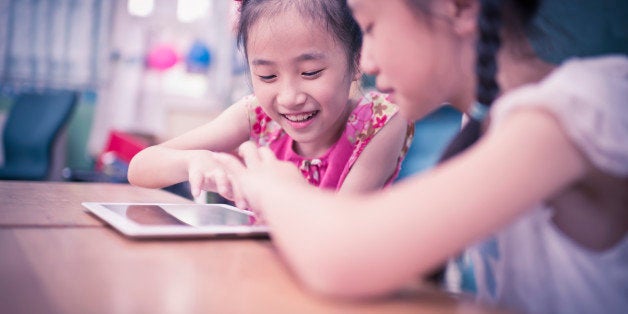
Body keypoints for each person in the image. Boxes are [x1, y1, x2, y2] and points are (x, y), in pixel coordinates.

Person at [215, 0, 628, 313]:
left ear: (460, 7)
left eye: (371, 28)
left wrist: (274, 187)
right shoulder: (483, 119)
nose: (369, 63)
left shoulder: (581, 105)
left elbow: (346, 258)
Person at [127, 0, 413, 201]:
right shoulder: (256, 114)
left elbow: (340, 231)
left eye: (310, 72)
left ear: (357, 59)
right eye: (267, 76)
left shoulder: (380, 121)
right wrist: (192, 160)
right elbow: (139, 166)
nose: (289, 97)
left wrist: (287, 193)